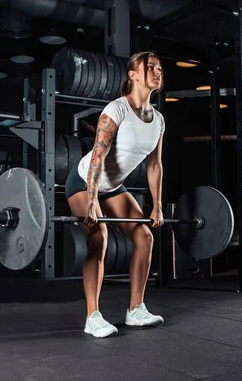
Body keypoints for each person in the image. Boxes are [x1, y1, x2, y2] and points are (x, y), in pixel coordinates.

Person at [64, 51, 166, 338]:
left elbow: (155, 165)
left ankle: (135, 310)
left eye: (160, 68)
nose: (158, 71)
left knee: (145, 236)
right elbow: (98, 155)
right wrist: (93, 198)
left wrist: (157, 206)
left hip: (113, 187)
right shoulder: (116, 110)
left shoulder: (158, 120)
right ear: (133, 75)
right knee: (99, 237)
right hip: (85, 181)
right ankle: (92, 317)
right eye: (151, 67)